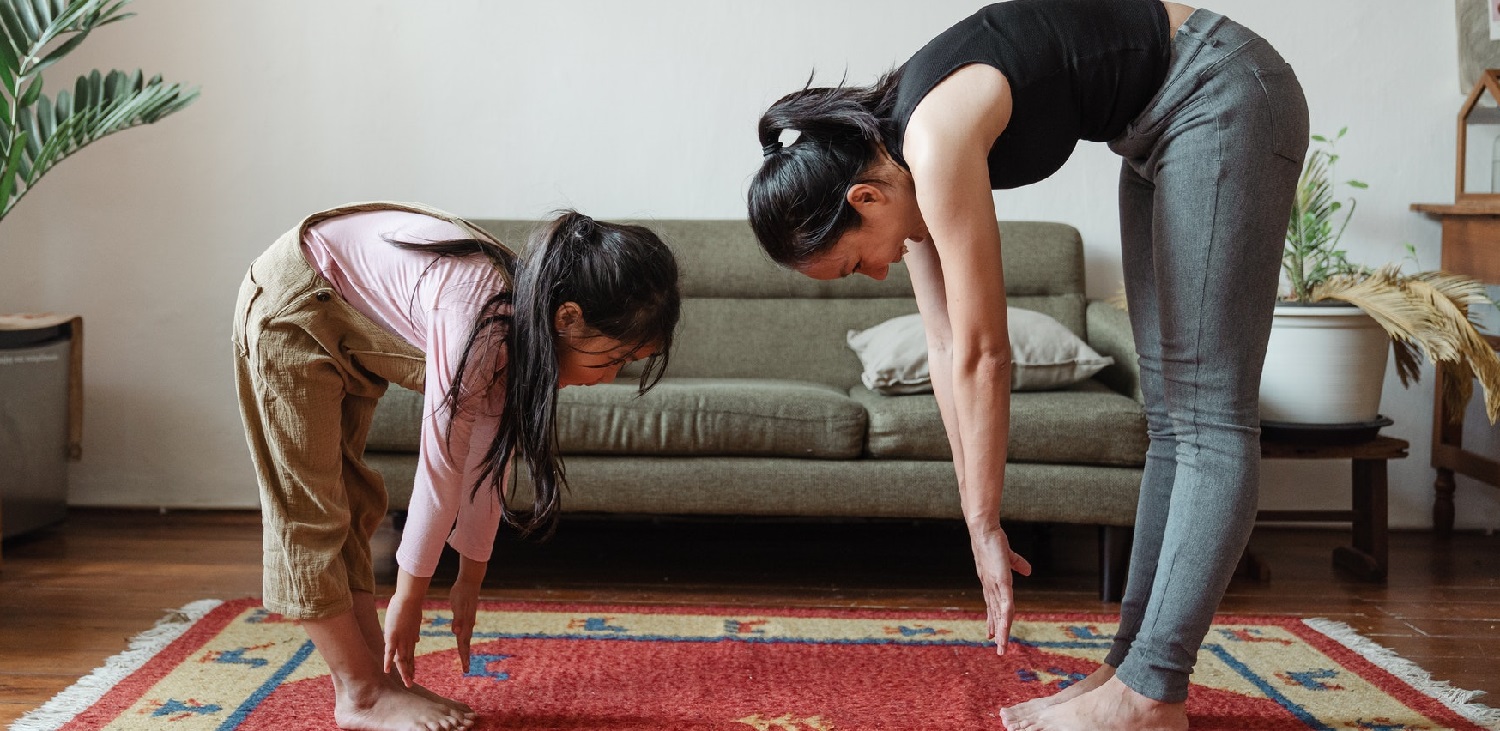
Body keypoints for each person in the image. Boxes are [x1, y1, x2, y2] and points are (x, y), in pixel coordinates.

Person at [747, 1, 1308, 729]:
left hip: (1219, 90)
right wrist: (972, 514)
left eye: (856, 260)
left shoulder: (934, 139)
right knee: (1171, 419)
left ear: (864, 198)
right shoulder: (896, 166)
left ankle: (1152, 693)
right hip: (1151, 131)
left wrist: (986, 523)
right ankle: (1130, 669)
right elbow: (946, 348)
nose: (876, 272)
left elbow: (986, 352)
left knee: (1207, 414)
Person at [232, 202, 680, 731]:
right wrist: (408, 596)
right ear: (569, 317)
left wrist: (469, 578)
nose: (607, 380)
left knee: (352, 502)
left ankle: (379, 683)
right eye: (613, 359)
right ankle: (361, 694)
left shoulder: (526, 325)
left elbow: (486, 460)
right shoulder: (481, 315)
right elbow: (441, 465)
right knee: (309, 511)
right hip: (295, 306)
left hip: (344, 319)